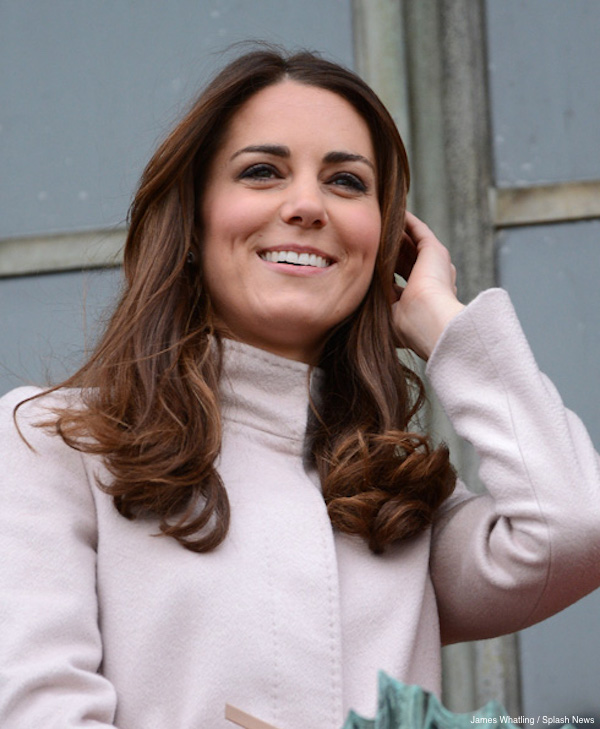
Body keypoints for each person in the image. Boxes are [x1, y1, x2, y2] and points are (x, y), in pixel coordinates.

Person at [1, 48, 599, 729]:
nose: (308, 205)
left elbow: (575, 527)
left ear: (383, 238)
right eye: (262, 171)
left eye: (347, 182)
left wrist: (446, 327)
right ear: (192, 223)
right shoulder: (57, 444)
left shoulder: (392, 499)